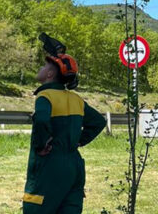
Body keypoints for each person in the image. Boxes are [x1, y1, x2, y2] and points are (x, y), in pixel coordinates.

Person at [22, 33, 106, 214]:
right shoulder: (76, 99)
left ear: (51, 74)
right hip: (74, 165)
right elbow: (99, 122)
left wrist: (41, 144)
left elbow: (42, 120)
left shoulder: (45, 96)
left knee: (35, 206)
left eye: (45, 65)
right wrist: (79, 141)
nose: (42, 67)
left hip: (50, 165)